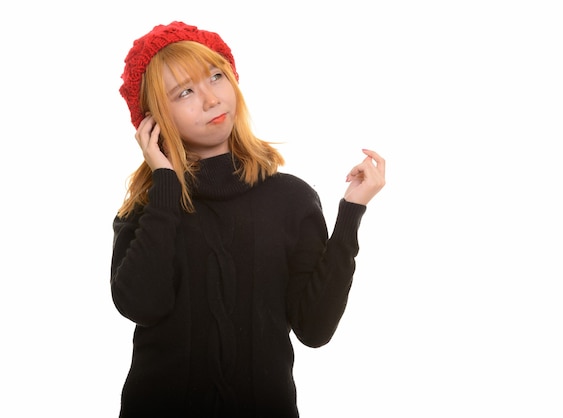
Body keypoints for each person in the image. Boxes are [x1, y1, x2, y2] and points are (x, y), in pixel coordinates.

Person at [111, 21, 385, 418]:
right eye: (184, 92)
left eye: (216, 77)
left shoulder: (291, 199)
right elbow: (141, 305)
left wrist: (350, 215)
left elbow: (315, 329)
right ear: (151, 122)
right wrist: (166, 183)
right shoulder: (148, 208)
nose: (210, 99)